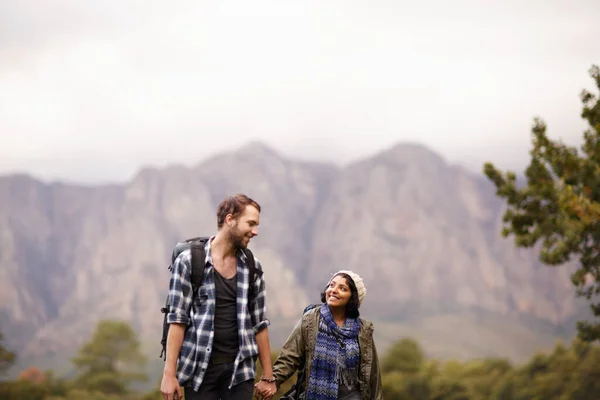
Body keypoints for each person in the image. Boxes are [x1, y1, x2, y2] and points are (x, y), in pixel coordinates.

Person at [160, 194, 277, 400]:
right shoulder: (189, 262)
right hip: (199, 370)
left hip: (240, 371)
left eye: (256, 225)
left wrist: (268, 376)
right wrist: (169, 375)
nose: (255, 231)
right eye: (250, 224)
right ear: (230, 219)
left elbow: (259, 323)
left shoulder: (253, 267)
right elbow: (177, 320)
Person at [261, 270, 383, 400]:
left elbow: (372, 374)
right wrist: (271, 381)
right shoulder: (310, 320)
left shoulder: (363, 329)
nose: (334, 290)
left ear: (353, 297)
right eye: (332, 285)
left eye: (342, 288)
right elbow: (289, 358)